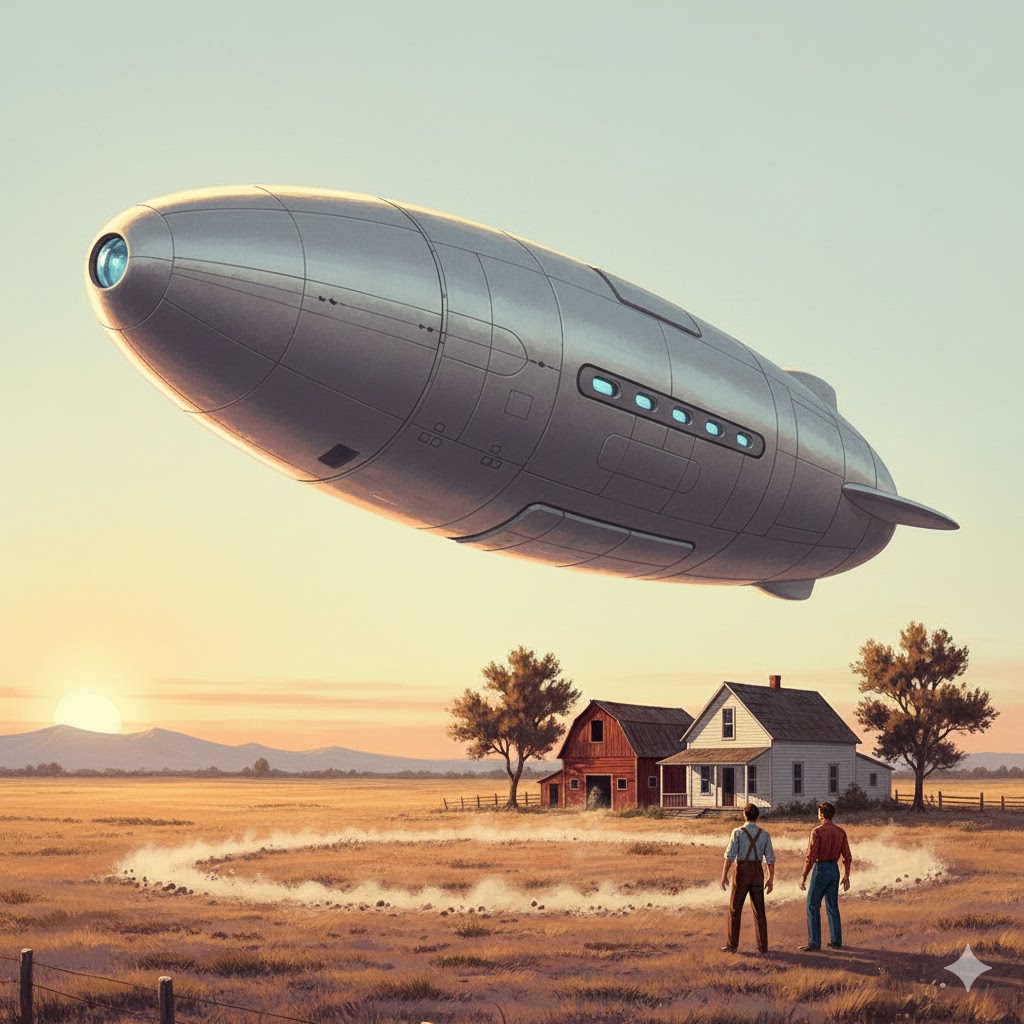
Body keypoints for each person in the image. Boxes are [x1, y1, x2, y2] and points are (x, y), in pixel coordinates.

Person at [720, 802, 775, 953]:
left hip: (742, 871)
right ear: (757, 817)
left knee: (735, 909)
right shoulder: (764, 834)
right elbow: (770, 859)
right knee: (759, 910)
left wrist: (724, 875)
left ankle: (732, 945)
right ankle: (762, 946)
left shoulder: (737, 832)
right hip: (758, 871)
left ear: (744, 815)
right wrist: (771, 879)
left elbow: (730, 856)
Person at [798, 800, 852, 951]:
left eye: (818, 812)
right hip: (834, 870)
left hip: (821, 868)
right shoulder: (840, 832)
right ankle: (836, 941)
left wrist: (803, 875)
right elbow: (847, 856)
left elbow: (810, 856)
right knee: (832, 905)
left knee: (812, 905)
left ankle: (814, 943)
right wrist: (846, 875)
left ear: (821, 815)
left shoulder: (817, 831)